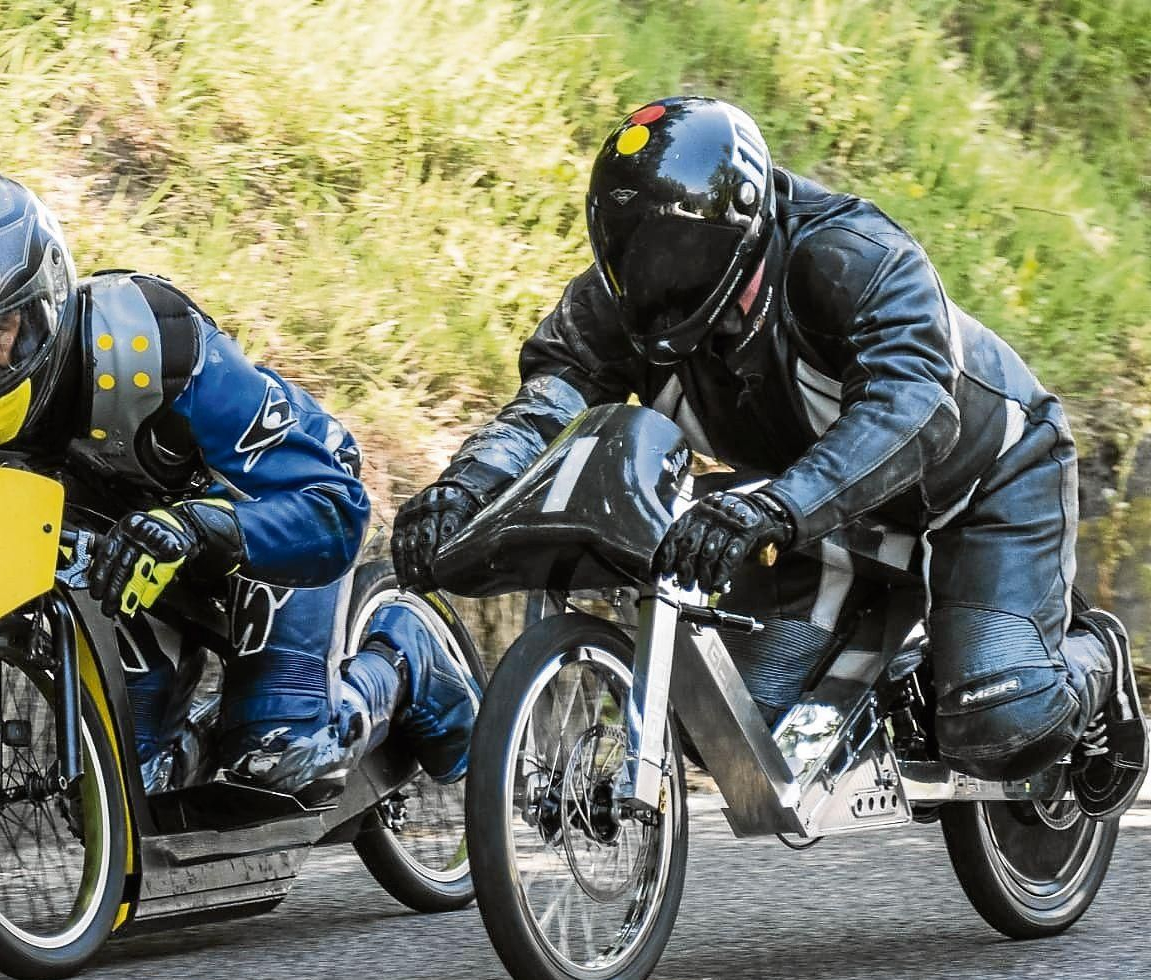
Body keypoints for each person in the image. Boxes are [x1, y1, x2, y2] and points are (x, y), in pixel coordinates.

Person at [393, 97, 1147, 819]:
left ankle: (1095, 662)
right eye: (632, 253)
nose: (656, 277)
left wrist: (773, 507)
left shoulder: (849, 256)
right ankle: (907, 660)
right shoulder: (617, 311)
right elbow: (543, 415)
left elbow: (914, 413)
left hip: (986, 479)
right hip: (814, 511)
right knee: (714, 719)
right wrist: (460, 494)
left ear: (746, 220)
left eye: (679, 248)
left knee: (998, 723)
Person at [0, 164, 473, 801]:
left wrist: (200, 526)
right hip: (125, 566)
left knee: (282, 754)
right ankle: (218, 734)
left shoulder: (146, 342)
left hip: (261, 518)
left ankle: (404, 653)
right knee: (123, 787)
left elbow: (333, 507)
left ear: (43, 306)